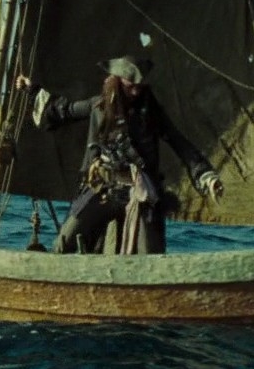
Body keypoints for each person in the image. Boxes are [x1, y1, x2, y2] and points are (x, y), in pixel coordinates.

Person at [16, 56, 224, 255]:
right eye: (130, 85)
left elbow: (180, 144)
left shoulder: (152, 113)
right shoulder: (98, 106)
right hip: (103, 190)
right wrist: (32, 90)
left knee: (149, 257)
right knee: (64, 242)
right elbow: (63, 111)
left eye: (139, 86)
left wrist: (207, 176)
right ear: (117, 81)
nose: (135, 91)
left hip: (140, 193)